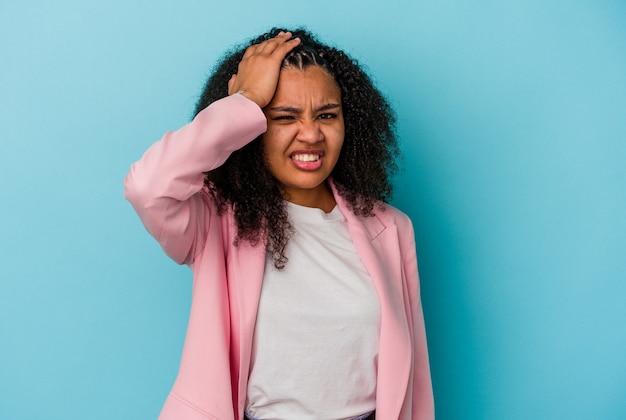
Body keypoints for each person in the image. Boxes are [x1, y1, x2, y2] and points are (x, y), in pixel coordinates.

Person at [124, 27, 434, 420]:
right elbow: (147, 187)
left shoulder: (391, 228)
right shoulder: (215, 221)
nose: (311, 134)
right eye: (284, 117)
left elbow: (414, 381)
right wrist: (245, 100)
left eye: (326, 115)